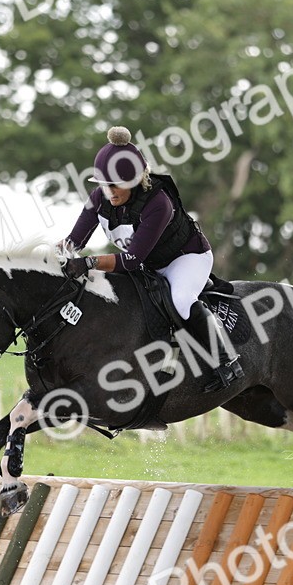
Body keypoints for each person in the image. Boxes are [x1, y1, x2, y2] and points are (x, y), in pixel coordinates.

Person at [59, 126, 242, 391]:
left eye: (116, 185)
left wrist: (89, 262)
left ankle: (227, 361)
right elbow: (74, 242)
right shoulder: (99, 197)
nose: (110, 192)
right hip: (148, 264)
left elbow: (131, 260)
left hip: (186, 258)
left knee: (180, 300)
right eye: (104, 184)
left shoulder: (159, 202)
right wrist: (54, 258)